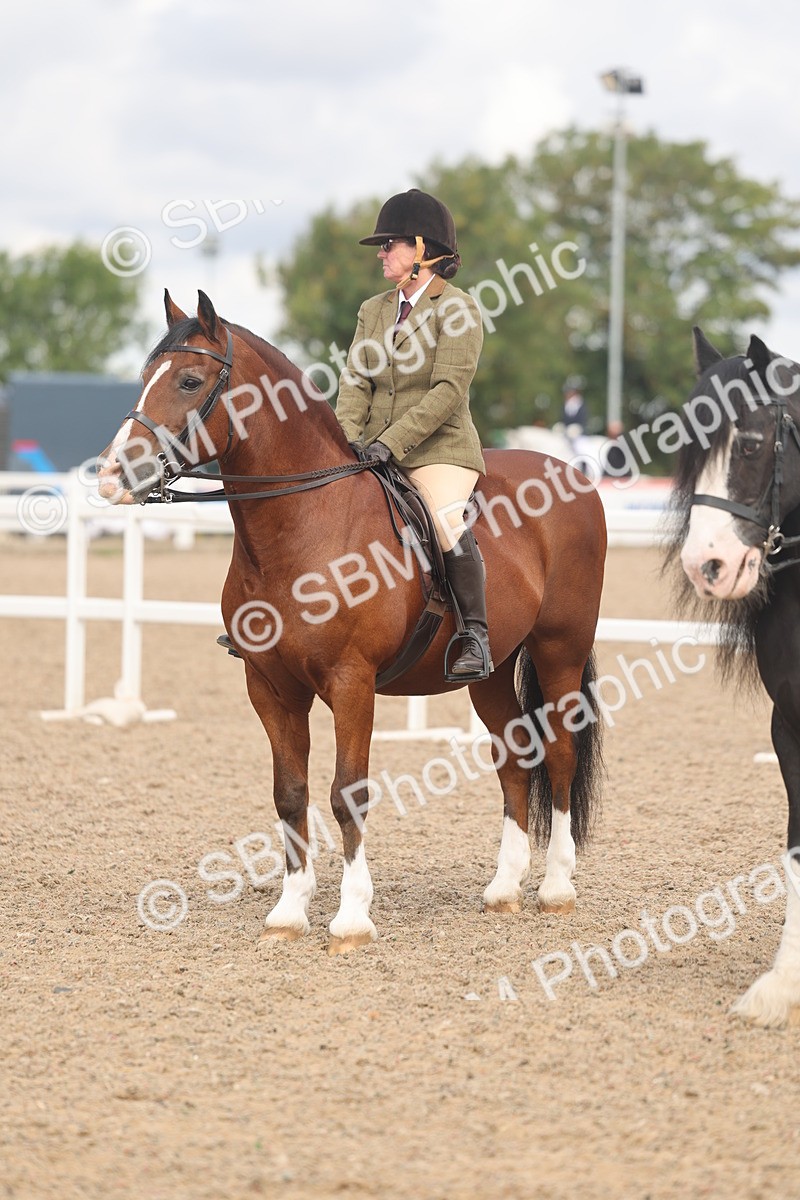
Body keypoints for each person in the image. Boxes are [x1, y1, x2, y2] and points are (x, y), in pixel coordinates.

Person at [334, 188, 491, 680]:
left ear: (423, 249)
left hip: (439, 449)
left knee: (443, 520)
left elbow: (447, 391)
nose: (381, 254)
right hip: (372, 447)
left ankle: (475, 634)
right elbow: (355, 380)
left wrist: (391, 442)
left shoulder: (458, 309)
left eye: (390, 244)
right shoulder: (372, 310)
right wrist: (344, 441)